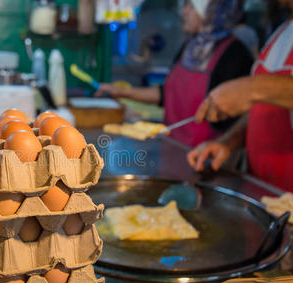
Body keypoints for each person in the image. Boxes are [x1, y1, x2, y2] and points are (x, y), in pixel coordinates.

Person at [96, 0, 254, 147]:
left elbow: (239, 118)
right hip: (173, 148)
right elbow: (167, 94)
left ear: (211, 11)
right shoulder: (191, 46)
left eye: (191, 7)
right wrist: (121, 92)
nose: (183, 12)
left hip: (206, 160)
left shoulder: (235, 55)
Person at [187, 0, 293, 192]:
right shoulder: (282, 32)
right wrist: (227, 142)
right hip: (263, 191)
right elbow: (265, 110)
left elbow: (257, 92)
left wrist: (250, 88)